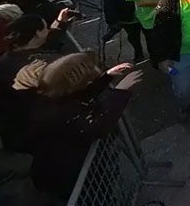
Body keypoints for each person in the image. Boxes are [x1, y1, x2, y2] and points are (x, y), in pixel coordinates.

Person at [27, 53, 141, 199]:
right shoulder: (60, 114)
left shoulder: (51, 96)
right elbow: (99, 127)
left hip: (64, 169)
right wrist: (119, 92)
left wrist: (106, 77)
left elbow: (79, 94)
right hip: (70, 176)